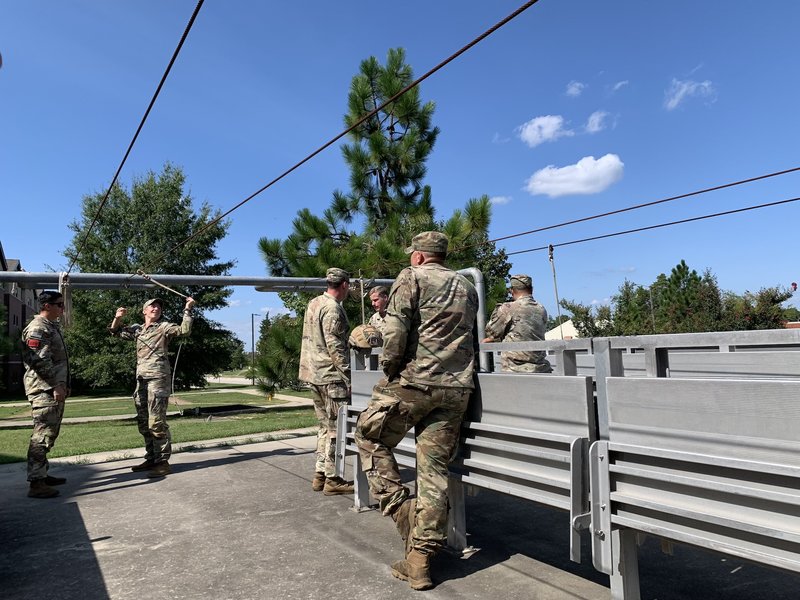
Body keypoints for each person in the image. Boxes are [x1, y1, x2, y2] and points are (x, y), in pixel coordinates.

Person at [354, 231, 478, 591]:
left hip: (415, 383)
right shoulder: (467, 285)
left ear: (420, 257)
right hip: (457, 390)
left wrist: (391, 369)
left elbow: (394, 331)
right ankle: (419, 563)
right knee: (434, 471)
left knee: (367, 434)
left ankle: (399, 508)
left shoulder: (411, 278)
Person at [109, 296, 195, 478]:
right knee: (142, 421)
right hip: (141, 379)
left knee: (156, 421)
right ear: (144, 311)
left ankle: (162, 462)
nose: (156, 308)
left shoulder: (164, 327)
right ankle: (151, 458)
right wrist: (118, 317)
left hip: (158, 379)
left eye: (158, 306)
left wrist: (187, 309)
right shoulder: (137, 329)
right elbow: (114, 332)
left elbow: (184, 331)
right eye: (152, 306)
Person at [299, 267, 354, 496]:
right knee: (335, 428)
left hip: (312, 374)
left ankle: (320, 473)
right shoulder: (333, 309)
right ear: (344, 285)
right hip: (330, 377)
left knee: (323, 427)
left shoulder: (314, 303)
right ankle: (333, 478)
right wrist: (351, 375)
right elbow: (336, 347)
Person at [21, 291, 70, 499]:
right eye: (59, 304)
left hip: (52, 387)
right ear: (47, 306)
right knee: (42, 435)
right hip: (44, 389)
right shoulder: (38, 328)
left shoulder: (50, 326)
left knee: (49, 432)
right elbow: (39, 361)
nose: (63, 308)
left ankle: (42, 473)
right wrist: (55, 386)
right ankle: (36, 482)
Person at [482, 274, 552, 373]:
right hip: (541, 368)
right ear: (531, 289)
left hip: (515, 369)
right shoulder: (541, 309)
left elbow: (491, 332)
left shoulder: (509, 308)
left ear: (512, 290)